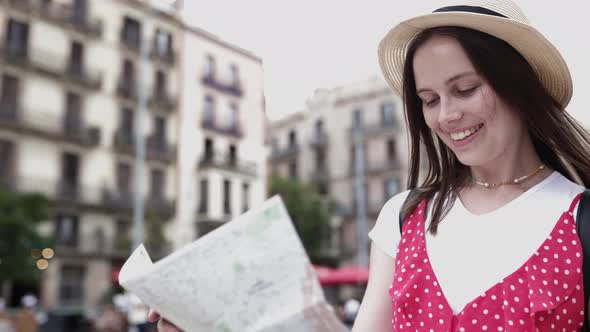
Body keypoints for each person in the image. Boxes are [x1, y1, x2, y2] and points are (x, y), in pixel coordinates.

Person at [353, 0, 590, 331]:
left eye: (465, 89)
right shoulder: (401, 217)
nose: (447, 115)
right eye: (430, 100)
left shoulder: (580, 222)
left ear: (518, 85)